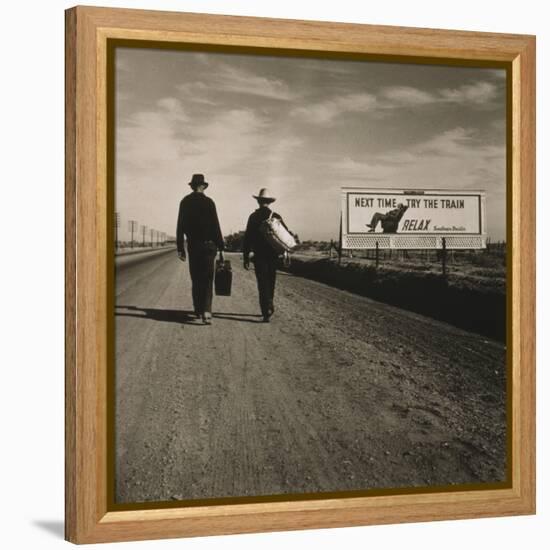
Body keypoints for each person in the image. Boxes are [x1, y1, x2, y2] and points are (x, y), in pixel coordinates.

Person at [176, 174, 224, 325]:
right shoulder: (209, 202)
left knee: (196, 278)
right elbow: (216, 225)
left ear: (192, 186)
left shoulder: (185, 202)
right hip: (209, 246)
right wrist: (221, 246)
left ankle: (198, 310)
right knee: (208, 278)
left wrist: (180, 248)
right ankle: (207, 312)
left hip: (194, 246)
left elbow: (180, 226)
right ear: (203, 186)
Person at [243, 188, 290, 323]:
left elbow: (248, 238)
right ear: (269, 202)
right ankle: (269, 302)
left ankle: (265, 311)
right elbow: (285, 234)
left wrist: (246, 257)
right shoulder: (276, 216)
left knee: (262, 283)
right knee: (271, 281)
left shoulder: (253, 217)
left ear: (258, 201)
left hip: (259, 256)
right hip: (273, 255)